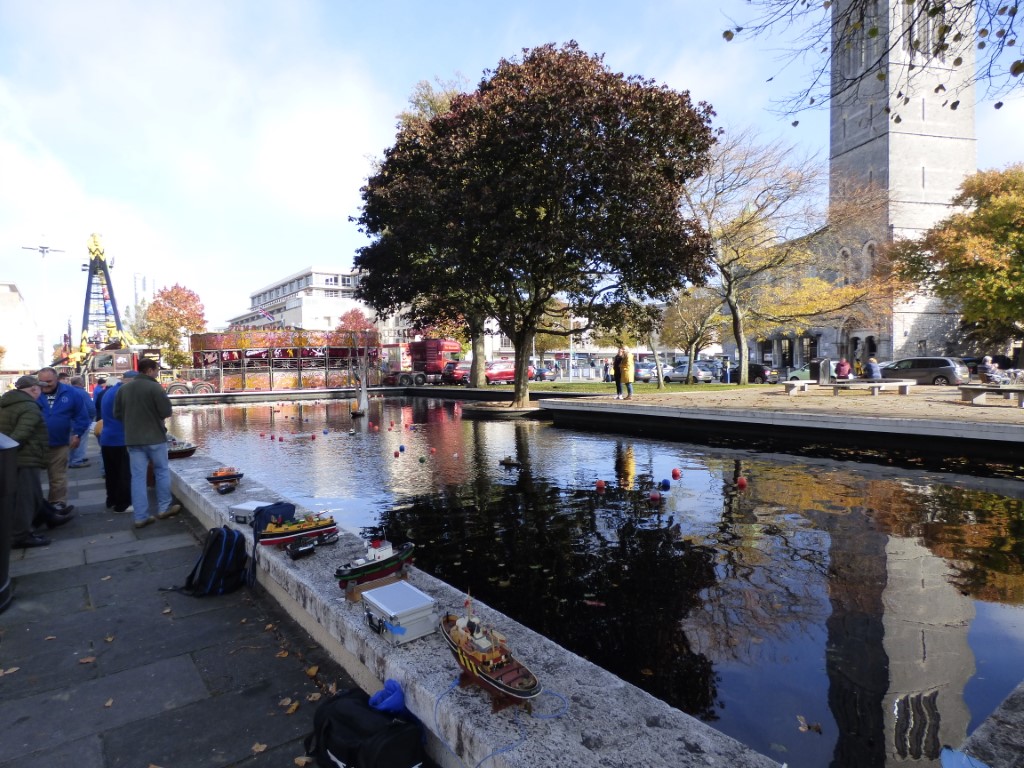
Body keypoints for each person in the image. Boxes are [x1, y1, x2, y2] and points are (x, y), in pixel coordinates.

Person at [0, 375, 75, 548]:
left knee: (28, 495)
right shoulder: (29, 407)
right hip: (25, 458)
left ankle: (48, 517)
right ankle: (20, 535)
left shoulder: (7, 403)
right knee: (26, 498)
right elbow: (21, 434)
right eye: (39, 388)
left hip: (14, 459)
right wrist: (9, 450)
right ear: (34, 389)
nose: (41, 391)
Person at [114, 358, 181, 529]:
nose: (157, 373)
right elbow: (166, 411)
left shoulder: (124, 389)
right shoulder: (154, 387)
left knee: (137, 477)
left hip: (133, 439)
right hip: (155, 437)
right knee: (161, 471)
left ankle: (140, 516)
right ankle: (164, 508)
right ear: (150, 370)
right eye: (156, 370)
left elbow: (117, 414)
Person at [35, 367, 91, 513]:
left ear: (57, 379)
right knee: (32, 478)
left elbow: (82, 416)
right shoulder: (33, 392)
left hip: (60, 442)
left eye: (49, 381)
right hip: (35, 444)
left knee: (58, 476)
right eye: (42, 381)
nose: (45, 385)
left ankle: (57, 503)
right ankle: (35, 506)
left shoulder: (71, 393)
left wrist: (77, 434)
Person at [99, 371, 136, 512]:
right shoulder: (124, 393)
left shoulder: (109, 391)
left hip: (107, 438)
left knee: (111, 473)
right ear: (131, 380)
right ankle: (123, 504)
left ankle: (112, 500)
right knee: (124, 473)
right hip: (120, 438)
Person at [67, 375, 96, 468]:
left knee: (72, 440)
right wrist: (90, 419)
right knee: (81, 441)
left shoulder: (68, 391)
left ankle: (72, 459)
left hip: (69, 420)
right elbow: (91, 408)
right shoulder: (82, 393)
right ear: (80, 383)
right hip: (81, 420)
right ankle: (77, 460)